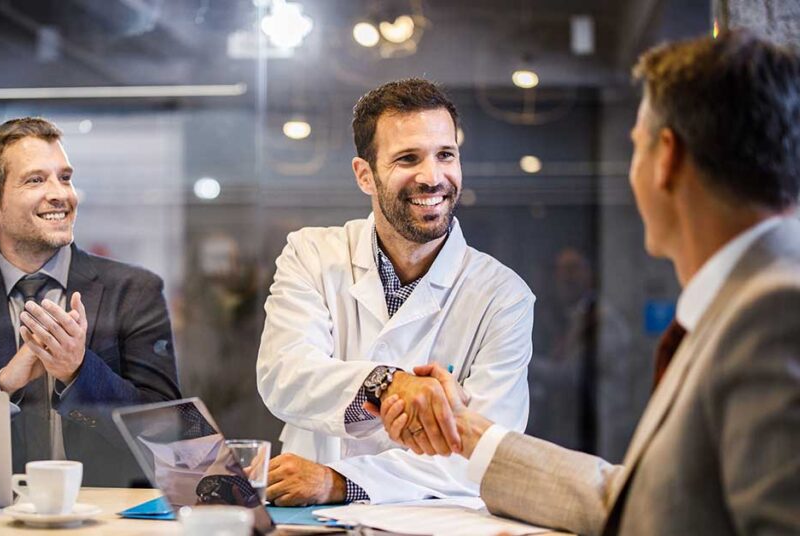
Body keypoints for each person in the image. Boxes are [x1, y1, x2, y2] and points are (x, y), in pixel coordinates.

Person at [377, 30, 800, 535]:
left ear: (667, 158)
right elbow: (641, 501)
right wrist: (471, 434)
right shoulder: (743, 305)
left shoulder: (777, 312)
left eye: (636, 148)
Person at [256, 78, 534, 505]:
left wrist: (337, 481)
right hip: (306, 518)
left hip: (432, 521)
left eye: (446, 155)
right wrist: (387, 385)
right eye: (408, 158)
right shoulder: (311, 253)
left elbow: (488, 449)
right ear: (365, 175)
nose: (433, 177)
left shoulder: (504, 296)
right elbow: (283, 374)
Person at [0, 117, 181, 486]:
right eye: (36, 180)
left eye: (64, 177)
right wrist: (1, 387)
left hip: (107, 515)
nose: (62, 194)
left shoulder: (134, 291)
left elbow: (166, 433)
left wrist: (78, 371)